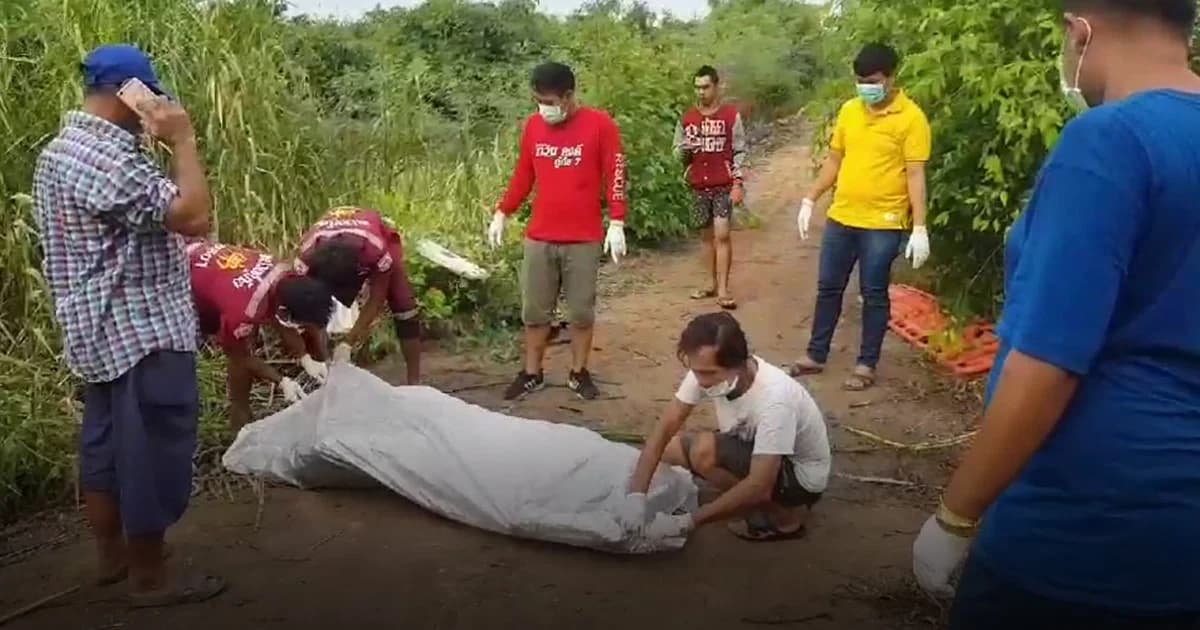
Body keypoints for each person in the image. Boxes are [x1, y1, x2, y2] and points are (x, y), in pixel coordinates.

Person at [912, 2, 1200, 627]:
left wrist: (957, 516)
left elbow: (1048, 363)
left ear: (1081, 29)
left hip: (1083, 537)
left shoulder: (1109, 142)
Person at [32, 44, 224, 606]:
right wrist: (182, 140)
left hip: (95, 329)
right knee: (151, 449)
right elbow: (193, 216)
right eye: (150, 95)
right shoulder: (107, 158)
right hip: (140, 328)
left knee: (108, 445)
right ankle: (150, 579)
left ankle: (114, 560)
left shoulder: (61, 150)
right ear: (129, 94)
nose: (156, 105)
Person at [616, 312, 831, 542]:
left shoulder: (775, 399)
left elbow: (760, 484)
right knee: (673, 449)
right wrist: (636, 496)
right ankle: (738, 498)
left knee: (703, 452)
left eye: (709, 373)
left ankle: (784, 518)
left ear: (738, 364)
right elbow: (663, 431)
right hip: (756, 446)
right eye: (696, 371)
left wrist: (685, 523)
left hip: (799, 478)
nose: (701, 381)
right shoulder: (705, 370)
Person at [791, 43, 932, 391]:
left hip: (883, 224)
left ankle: (866, 363)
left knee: (873, 293)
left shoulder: (911, 119)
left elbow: (915, 174)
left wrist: (919, 227)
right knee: (828, 287)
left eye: (872, 80)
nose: (865, 86)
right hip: (842, 217)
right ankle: (815, 354)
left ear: (890, 77)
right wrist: (811, 197)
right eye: (860, 80)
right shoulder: (850, 111)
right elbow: (835, 160)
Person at [487, 61, 628, 401]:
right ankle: (532, 373)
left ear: (568, 96)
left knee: (580, 312)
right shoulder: (533, 126)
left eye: (549, 101)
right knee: (535, 312)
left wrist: (617, 221)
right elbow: (524, 173)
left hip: (583, 237)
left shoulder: (600, 125)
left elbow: (616, 172)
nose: (544, 108)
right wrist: (503, 212)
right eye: (538, 100)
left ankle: (579, 373)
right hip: (540, 236)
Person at [188, 240, 334, 429]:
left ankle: (242, 417)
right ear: (285, 312)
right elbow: (239, 356)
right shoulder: (244, 311)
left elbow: (280, 320)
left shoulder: (285, 275)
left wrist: (304, 357)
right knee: (238, 365)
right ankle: (238, 423)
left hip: (208, 263)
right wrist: (282, 382)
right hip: (182, 279)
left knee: (244, 357)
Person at [294, 206, 422, 384]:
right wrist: (321, 357)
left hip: (378, 236)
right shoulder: (306, 257)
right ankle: (325, 377)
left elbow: (377, 299)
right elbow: (308, 309)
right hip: (333, 244)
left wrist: (348, 342)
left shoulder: (375, 250)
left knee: (403, 303)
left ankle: (414, 382)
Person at [675, 65, 747, 311]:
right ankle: (710, 283)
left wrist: (738, 183)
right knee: (706, 237)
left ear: (716, 87)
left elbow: (740, 151)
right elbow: (677, 153)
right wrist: (684, 150)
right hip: (698, 185)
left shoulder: (730, 116)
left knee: (722, 234)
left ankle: (724, 289)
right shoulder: (688, 119)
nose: (701, 92)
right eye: (697, 87)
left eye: (705, 87)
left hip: (723, 185)